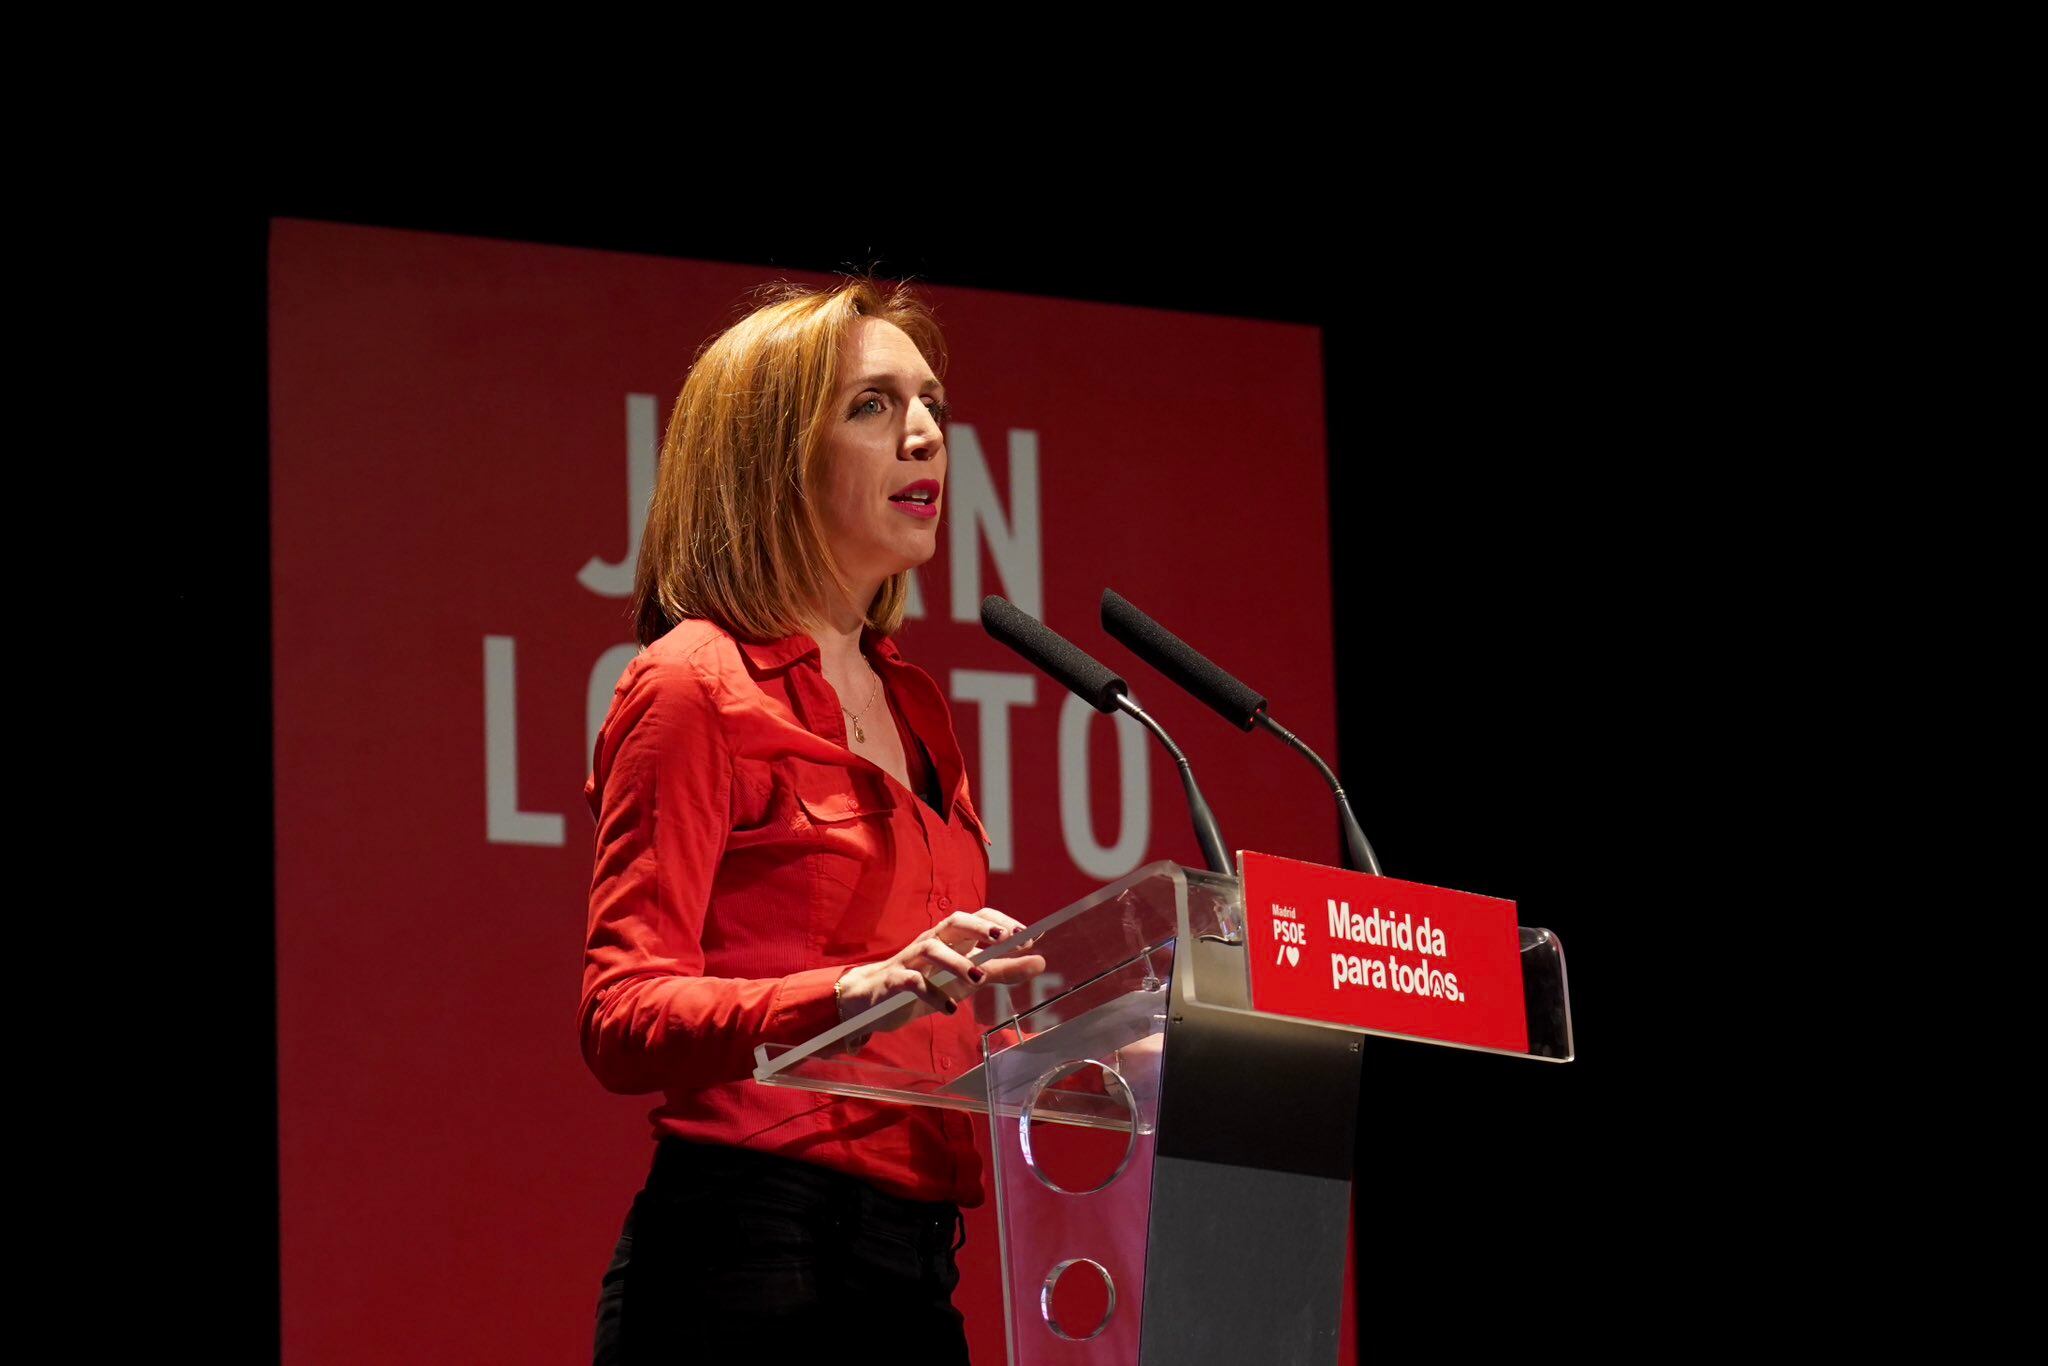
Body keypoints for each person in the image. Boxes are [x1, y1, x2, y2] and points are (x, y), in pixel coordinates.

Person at [581, 276, 1047, 1363]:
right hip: (748, 1261)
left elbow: (930, 1024)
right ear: (770, 456)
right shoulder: (693, 683)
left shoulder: (918, 702)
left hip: (918, 1266)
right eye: (874, 406)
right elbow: (619, 1010)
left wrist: (1090, 1048)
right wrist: (852, 990)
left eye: (931, 403)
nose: (926, 434)